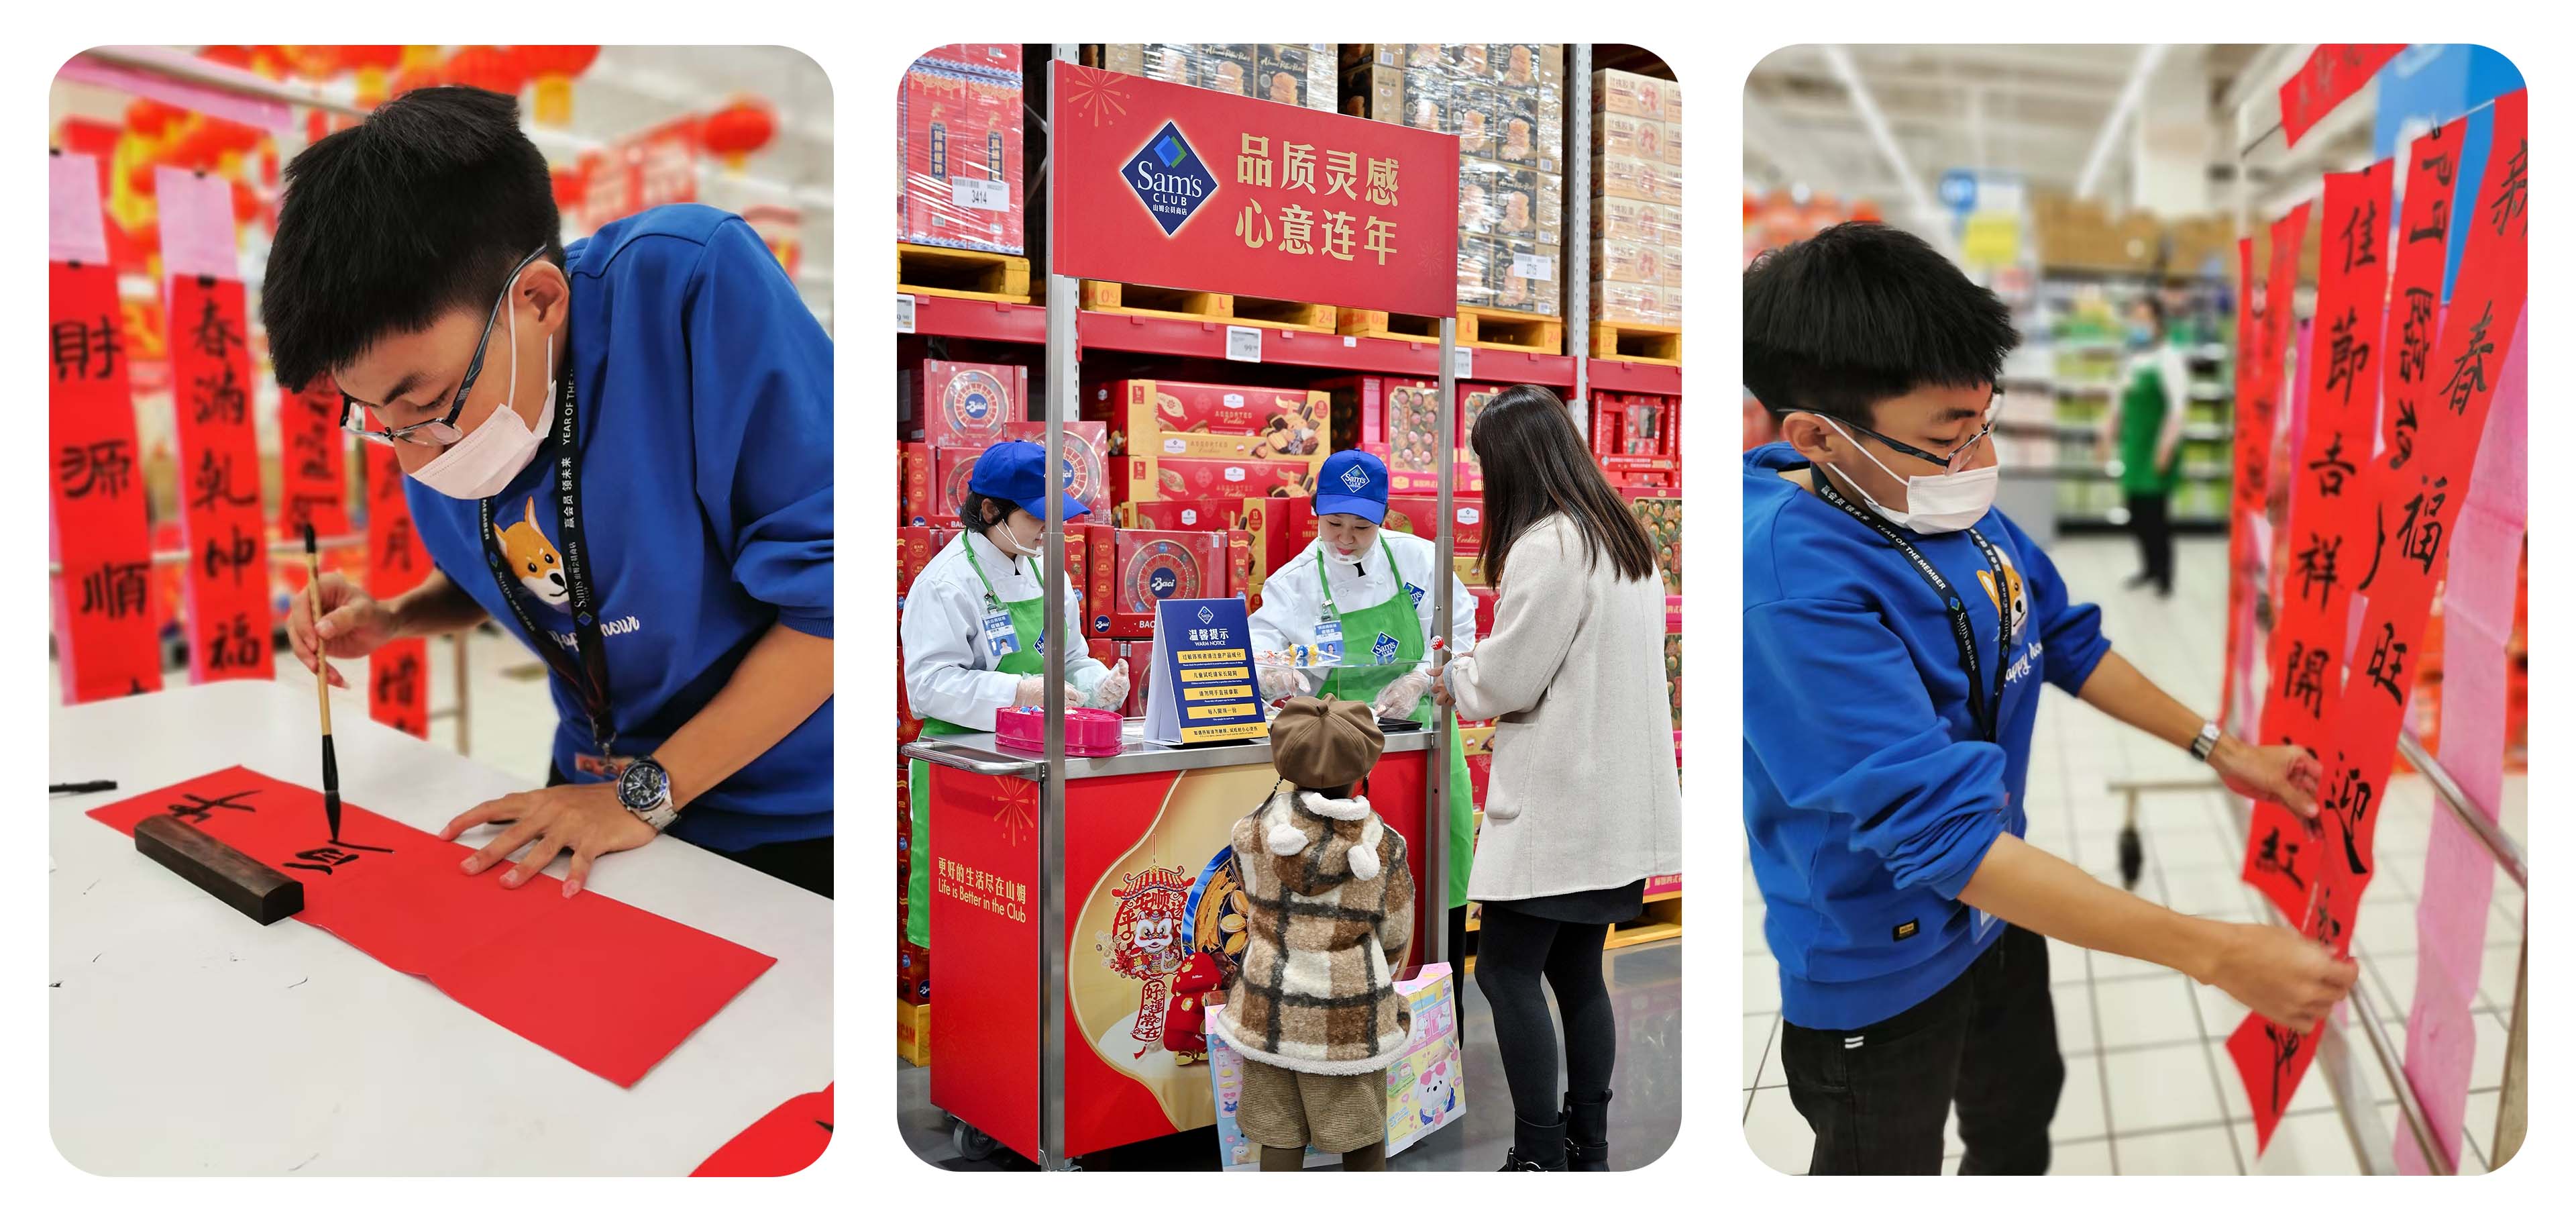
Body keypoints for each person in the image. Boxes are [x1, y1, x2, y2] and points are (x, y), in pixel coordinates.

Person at [1741, 221, 2355, 1174]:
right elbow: (1941, 838)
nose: (1980, 458)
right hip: (1879, 962)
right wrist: (2215, 954)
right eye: (1952, 436)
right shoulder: (1792, 585)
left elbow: (2062, 637)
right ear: (1819, 438)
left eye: (1986, 421)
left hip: (2004, 903)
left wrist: (2220, 748)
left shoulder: (1940, 504)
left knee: (2018, 1120)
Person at [270, 87, 834, 899]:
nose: (412, 449)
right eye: (375, 416)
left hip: (778, 817)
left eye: (424, 404)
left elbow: (831, 606)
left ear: (537, 300)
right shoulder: (435, 410)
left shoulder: (687, 292)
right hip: (585, 793)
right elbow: (533, 569)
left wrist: (642, 797)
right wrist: (399, 615)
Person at [1429, 385, 1683, 1172]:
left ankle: (1537, 1154)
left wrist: (1449, 676)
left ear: (1511, 465)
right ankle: (1588, 1144)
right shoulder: (1622, 539)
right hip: (1618, 808)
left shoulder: (1549, 545)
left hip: (1559, 808)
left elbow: (1508, 680)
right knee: (1579, 973)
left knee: (1506, 973)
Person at [900, 440, 1129, 949]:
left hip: (1039, 763)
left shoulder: (1050, 572)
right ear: (989, 511)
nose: (1051, 529)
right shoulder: (945, 583)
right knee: (973, 925)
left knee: (1029, 928)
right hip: (966, 769)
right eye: (1037, 517)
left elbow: (1071, 660)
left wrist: (1098, 685)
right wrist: (1019, 690)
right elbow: (928, 685)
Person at [1248, 448, 1477, 929]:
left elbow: (1459, 629)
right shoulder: (1296, 581)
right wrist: (1274, 671)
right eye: (1334, 525)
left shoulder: (1419, 560)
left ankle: (1438, 990)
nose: (1346, 540)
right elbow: (1260, 642)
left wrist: (1420, 677)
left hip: (1426, 741)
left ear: (1383, 518)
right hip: (1336, 757)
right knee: (1349, 885)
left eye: (1361, 527)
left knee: (1434, 874)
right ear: (1315, 513)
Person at [1208, 695, 1416, 1172]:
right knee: (1360, 1134)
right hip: (1350, 1018)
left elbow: (1249, 895)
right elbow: (1395, 937)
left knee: (1279, 1135)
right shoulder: (1385, 847)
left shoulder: (1251, 832)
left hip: (1266, 1007)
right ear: (1364, 764)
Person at [2096, 294, 2190, 597]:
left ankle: (2164, 575)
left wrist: (2165, 448)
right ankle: (2148, 567)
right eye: (2135, 319)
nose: (2139, 325)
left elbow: (2178, 409)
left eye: (2145, 319)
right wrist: (2106, 438)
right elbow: (2118, 406)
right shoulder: (2131, 359)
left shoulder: (2169, 358)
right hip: (2134, 448)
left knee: (2156, 515)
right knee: (2136, 513)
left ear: (2159, 323)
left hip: (2156, 447)